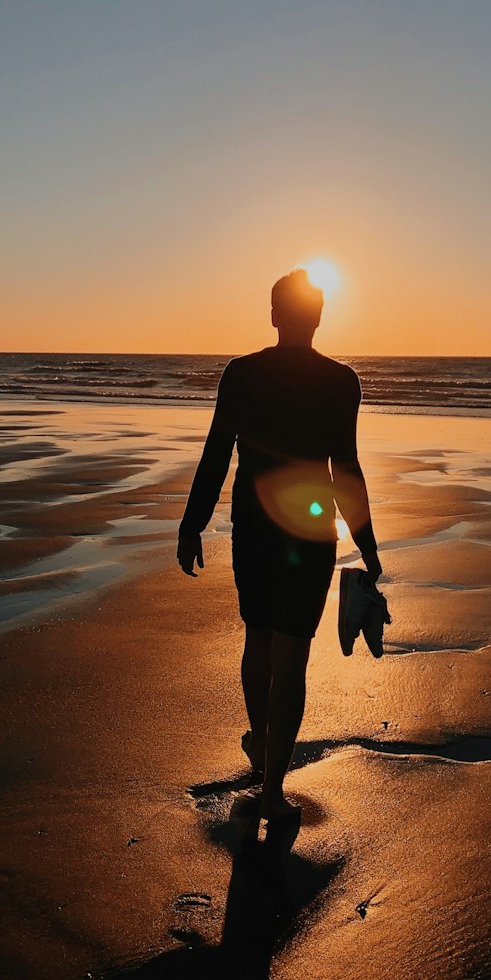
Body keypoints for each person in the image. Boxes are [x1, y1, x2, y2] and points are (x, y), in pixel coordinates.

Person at [177, 269, 381, 819]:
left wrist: (192, 524)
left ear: (273, 314)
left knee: (258, 642)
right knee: (292, 659)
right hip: (310, 532)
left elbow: (217, 453)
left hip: (255, 529)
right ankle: (272, 794)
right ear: (317, 317)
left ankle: (262, 752)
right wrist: (367, 543)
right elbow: (346, 470)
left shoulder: (241, 374)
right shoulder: (342, 382)